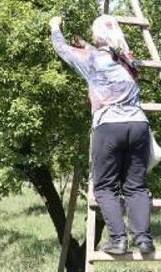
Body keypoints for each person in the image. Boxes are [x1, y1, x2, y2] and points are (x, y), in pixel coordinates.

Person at [49, 14, 154, 255]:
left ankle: (118, 241)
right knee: (136, 186)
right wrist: (87, 45)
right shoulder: (128, 59)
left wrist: (55, 27)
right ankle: (144, 240)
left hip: (109, 126)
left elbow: (62, 49)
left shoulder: (91, 59)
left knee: (105, 186)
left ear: (98, 36)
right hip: (138, 124)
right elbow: (108, 56)